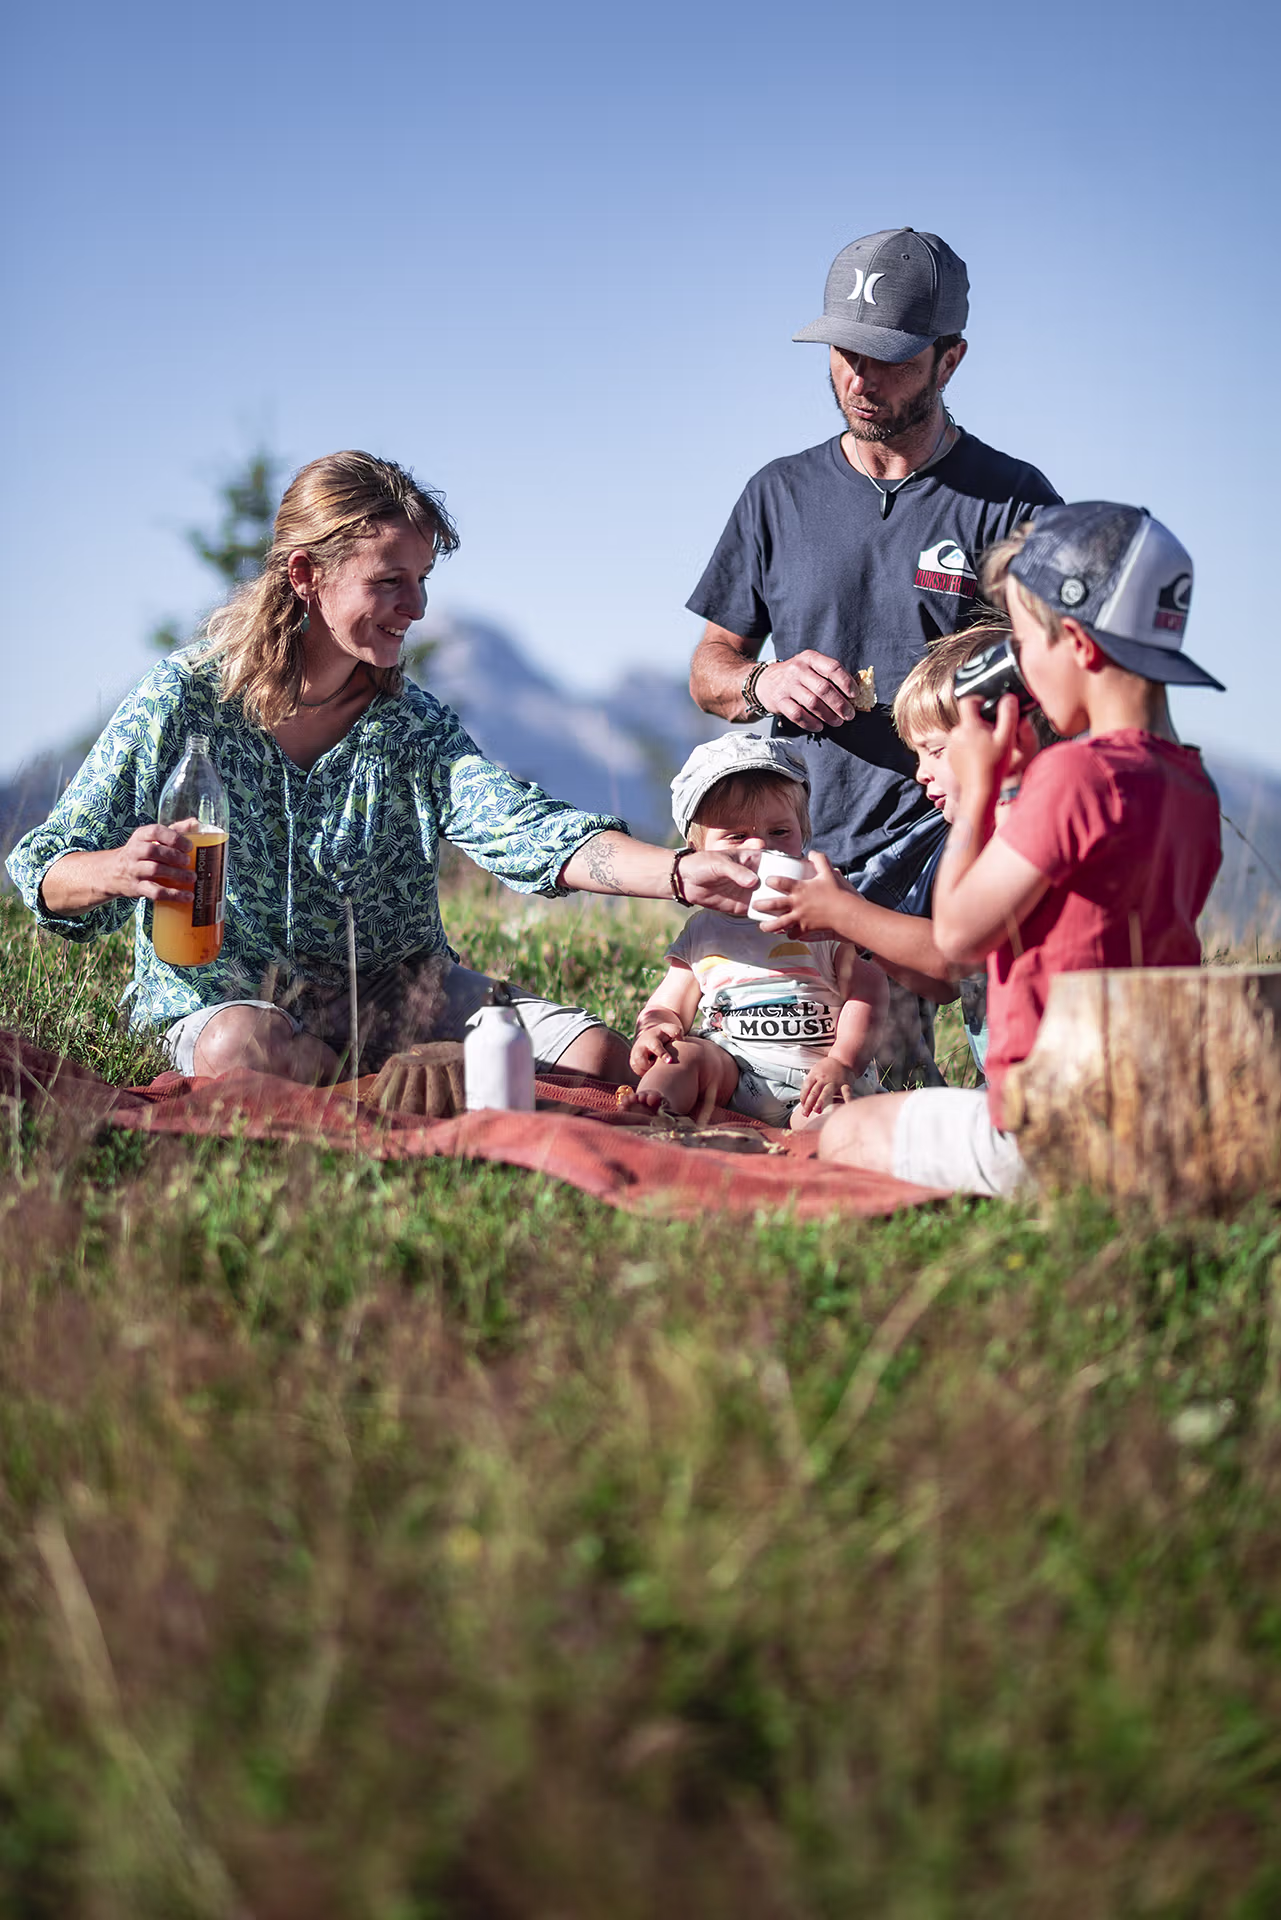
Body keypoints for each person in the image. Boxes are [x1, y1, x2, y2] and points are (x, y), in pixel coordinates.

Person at [7, 451, 759, 1085]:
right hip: (224, 1002)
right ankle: (393, 1085)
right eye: (389, 581)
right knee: (242, 1052)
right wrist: (115, 869)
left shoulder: (413, 727)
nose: (417, 605)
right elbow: (41, 866)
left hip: (400, 996)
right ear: (305, 575)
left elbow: (523, 828)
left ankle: (380, 1082)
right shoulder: (182, 700)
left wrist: (676, 873)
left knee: (595, 1059)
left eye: (423, 578)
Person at [811, 502, 1224, 1197]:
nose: (1020, 677)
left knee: (843, 1133)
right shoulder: (1190, 783)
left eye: (1024, 649)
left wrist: (974, 794)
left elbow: (959, 935)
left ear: (1080, 646)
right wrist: (1007, 789)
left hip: (1048, 1124)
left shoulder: (1073, 774)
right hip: (1146, 1111)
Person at [765, 622, 1051, 1078]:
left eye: (934, 751)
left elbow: (953, 958)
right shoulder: (995, 837)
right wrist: (852, 925)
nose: (921, 774)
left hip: (1037, 1095)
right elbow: (941, 987)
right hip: (1008, 1086)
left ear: (1002, 735)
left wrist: (845, 914)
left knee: (849, 1133)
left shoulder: (1026, 835)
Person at [625, 735, 888, 1128]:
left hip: (816, 1077)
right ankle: (654, 1111)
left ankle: (818, 1142)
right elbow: (670, 1002)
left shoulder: (822, 916)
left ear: (804, 837)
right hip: (736, 1073)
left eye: (780, 832)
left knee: (830, 1123)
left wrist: (843, 1062)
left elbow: (868, 991)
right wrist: (656, 1028)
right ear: (696, 855)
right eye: (734, 836)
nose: (760, 846)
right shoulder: (702, 930)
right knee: (685, 1056)